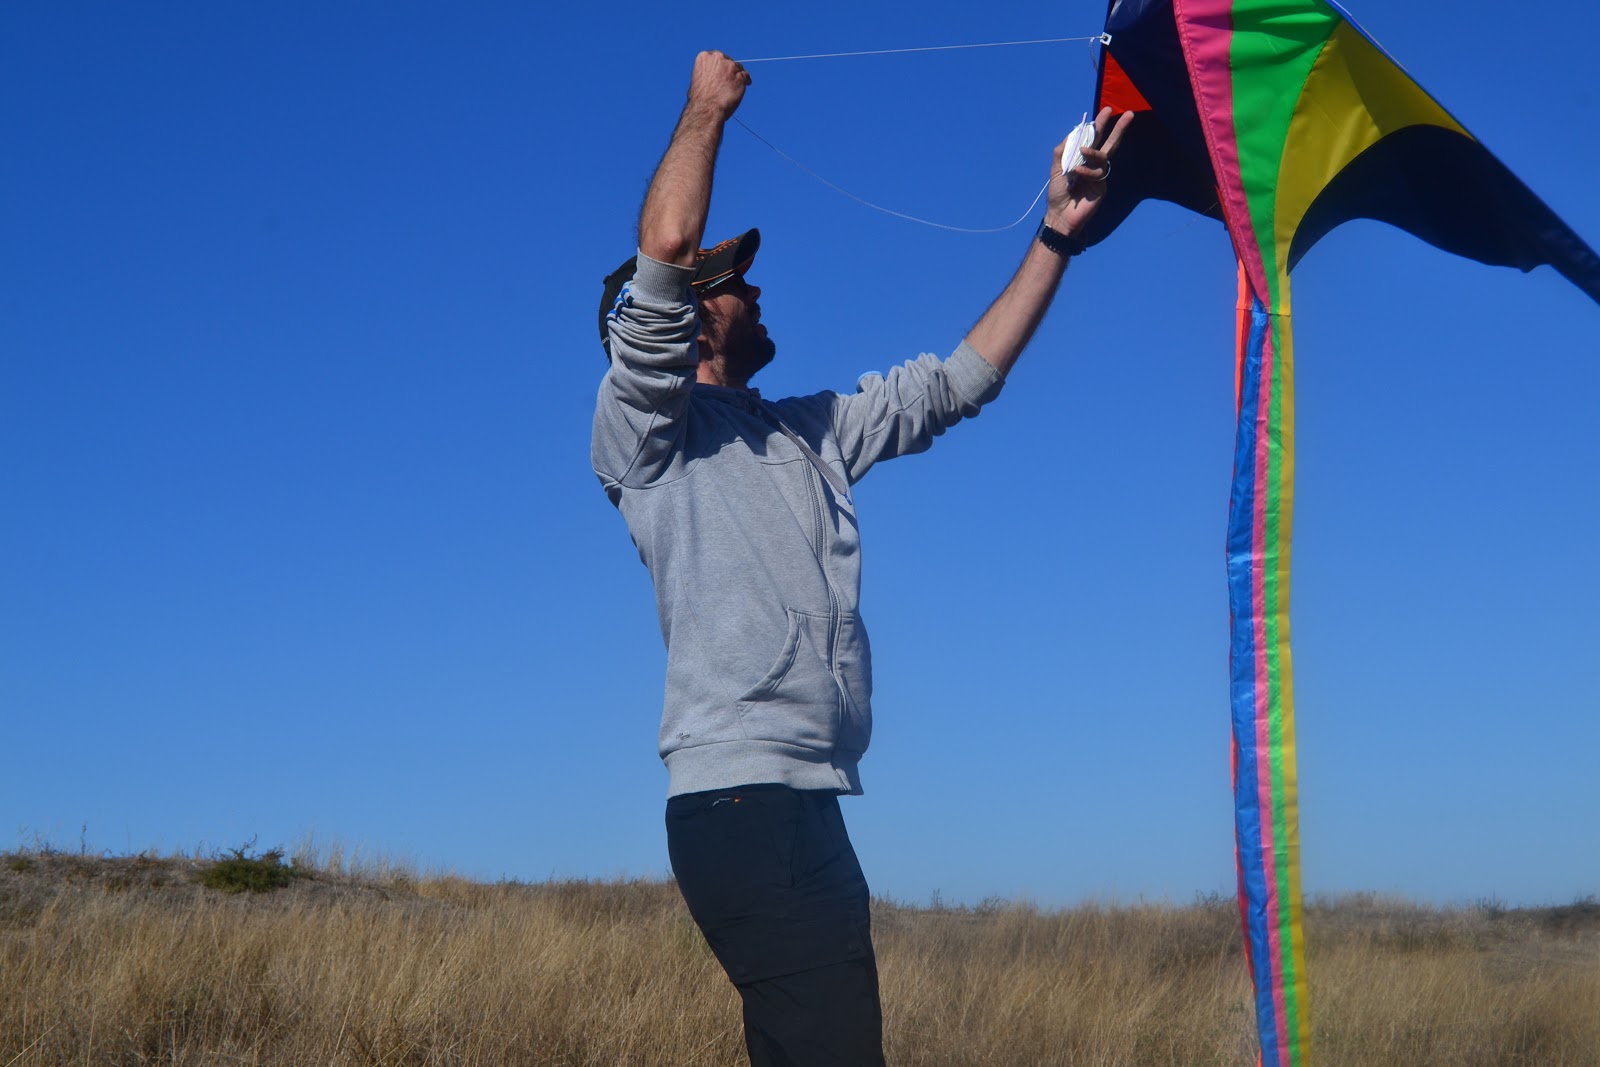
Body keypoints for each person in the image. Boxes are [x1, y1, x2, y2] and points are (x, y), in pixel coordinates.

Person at [592, 50, 1131, 1067]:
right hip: (742, 803)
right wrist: (704, 110)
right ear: (686, 317)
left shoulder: (807, 431)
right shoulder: (644, 434)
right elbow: (664, 245)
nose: (750, 287)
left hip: (808, 799)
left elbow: (960, 381)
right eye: (730, 280)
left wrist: (1060, 231)